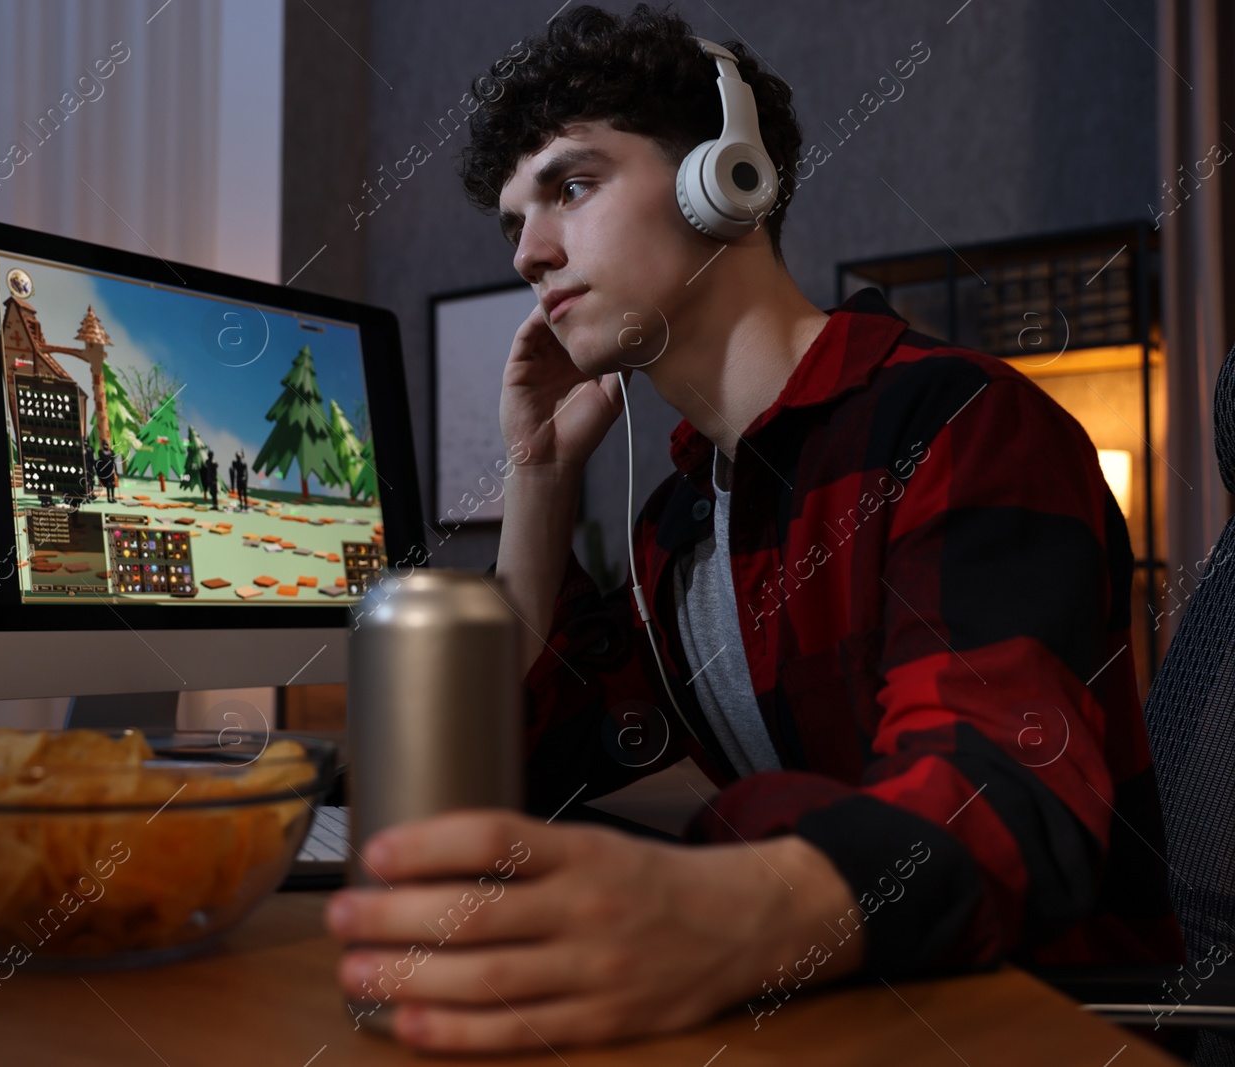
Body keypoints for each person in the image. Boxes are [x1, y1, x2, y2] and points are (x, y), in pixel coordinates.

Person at [323, 5, 1183, 1054]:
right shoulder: (678, 523)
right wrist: (539, 480)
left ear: (729, 179)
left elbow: (999, 798)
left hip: (1015, 1015)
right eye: (512, 223)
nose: (529, 252)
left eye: (571, 185)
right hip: (828, 1005)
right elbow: (505, 780)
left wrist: (722, 908)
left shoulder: (953, 421)